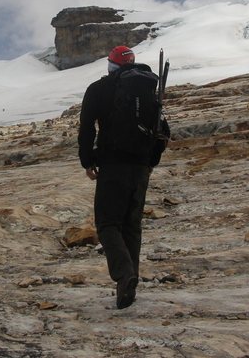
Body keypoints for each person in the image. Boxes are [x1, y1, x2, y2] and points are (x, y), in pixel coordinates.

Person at [78, 45, 170, 309]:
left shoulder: (99, 89)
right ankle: (128, 286)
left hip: (113, 164)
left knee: (108, 224)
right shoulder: (148, 88)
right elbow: (161, 129)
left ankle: (124, 274)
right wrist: (151, 161)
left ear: (112, 64)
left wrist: (88, 161)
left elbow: (87, 128)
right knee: (132, 226)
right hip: (141, 167)